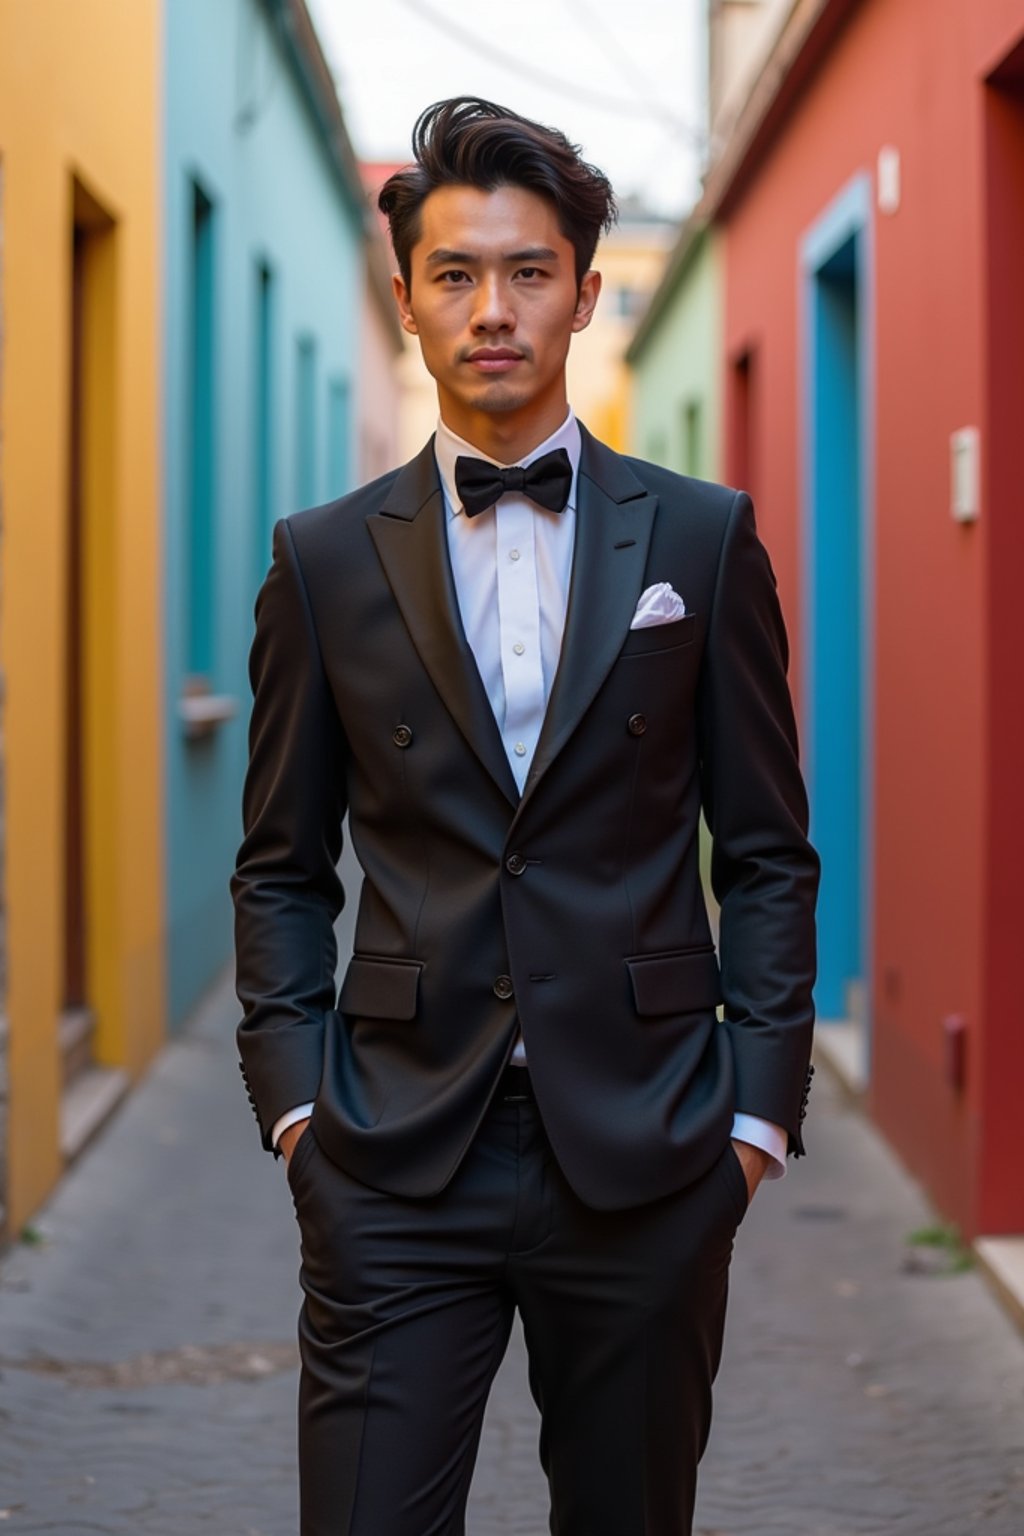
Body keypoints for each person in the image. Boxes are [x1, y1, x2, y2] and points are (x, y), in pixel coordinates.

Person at [232, 96, 819, 1536]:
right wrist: (298, 1111)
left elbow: (766, 851)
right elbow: (281, 866)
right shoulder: (320, 563)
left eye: (528, 272)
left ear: (584, 294)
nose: (492, 309)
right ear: (409, 305)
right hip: (390, 1152)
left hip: (648, 1150)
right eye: (455, 275)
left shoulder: (699, 537)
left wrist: (753, 1122)